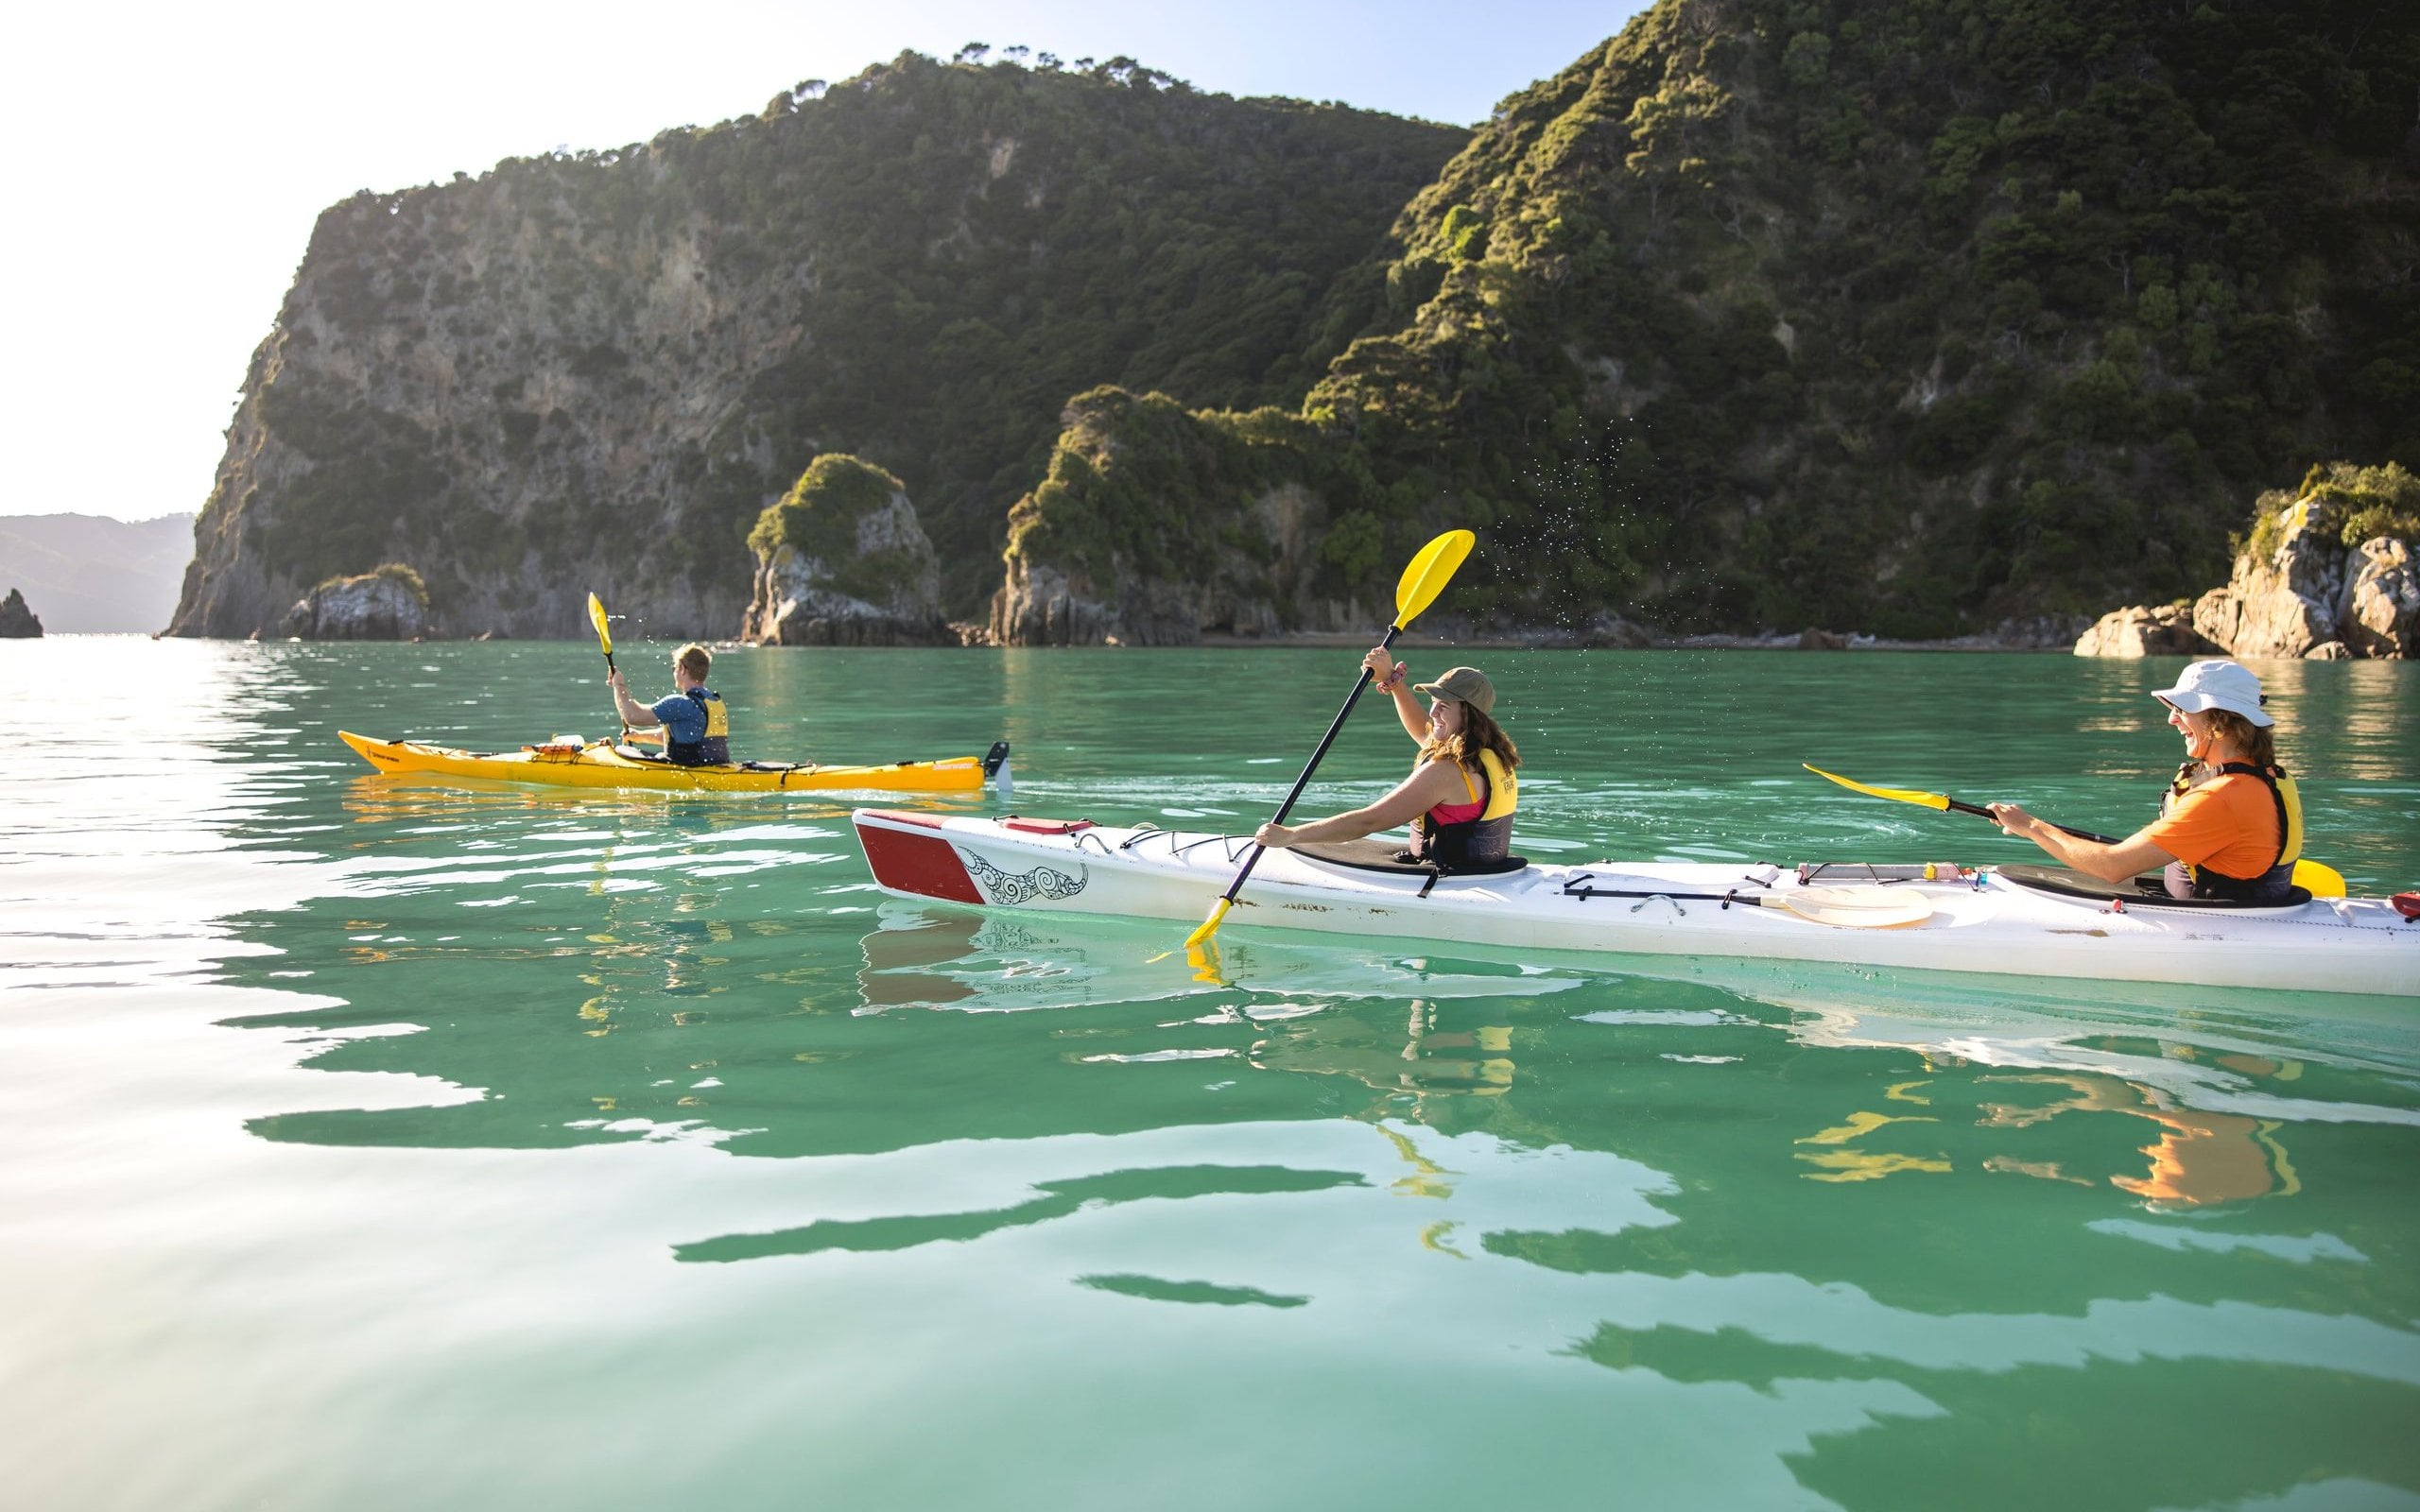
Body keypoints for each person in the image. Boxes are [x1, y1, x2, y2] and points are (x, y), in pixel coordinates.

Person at [1987, 659, 2304, 902]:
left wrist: (2030, 827)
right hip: (2243, 910)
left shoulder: (2221, 797)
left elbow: (2111, 867)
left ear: (2218, 720)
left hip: (2219, 929)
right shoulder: (2267, 777)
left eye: (2181, 709)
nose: (2172, 718)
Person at [1253, 647, 1520, 869]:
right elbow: (1424, 731)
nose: (1434, 712)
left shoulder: (1448, 771)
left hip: (1450, 879)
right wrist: (1395, 685)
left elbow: (1371, 820)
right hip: (1487, 871)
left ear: (1469, 715)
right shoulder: (1488, 751)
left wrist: (1291, 835)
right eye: (1433, 701)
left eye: (1444, 706)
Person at [608, 642, 732, 766]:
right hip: (716, 767)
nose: (674, 672)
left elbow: (632, 716)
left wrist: (619, 685)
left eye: (675, 667)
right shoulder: (713, 701)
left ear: (682, 669)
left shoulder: (680, 703)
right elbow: (681, 736)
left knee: (622, 751)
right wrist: (638, 736)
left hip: (687, 770)